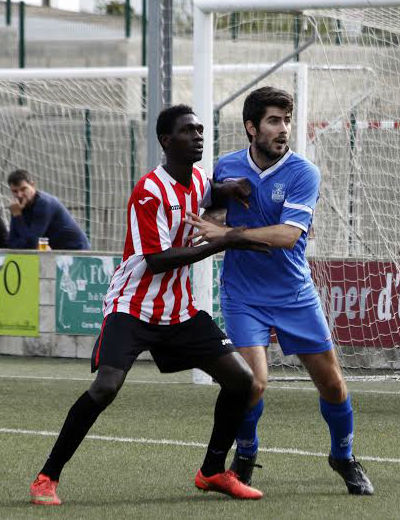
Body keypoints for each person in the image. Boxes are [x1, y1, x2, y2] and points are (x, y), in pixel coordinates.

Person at [29, 104, 268, 506]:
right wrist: (223, 240)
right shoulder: (148, 192)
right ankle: (46, 477)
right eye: (189, 131)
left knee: (243, 381)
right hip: (133, 305)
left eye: (200, 130)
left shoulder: (197, 181)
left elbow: (211, 189)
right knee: (106, 386)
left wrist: (231, 189)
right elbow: (156, 260)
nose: (198, 136)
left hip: (179, 309)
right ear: (165, 140)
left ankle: (211, 471)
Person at [184, 86, 374, 496]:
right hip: (243, 296)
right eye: (273, 121)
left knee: (334, 385)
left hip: (294, 295)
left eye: (286, 120)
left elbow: (288, 236)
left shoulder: (303, 172)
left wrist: (228, 233)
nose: (283, 129)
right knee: (251, 383)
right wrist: (210, 221)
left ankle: (343, 455)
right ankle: (246, 454)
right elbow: (210, 219)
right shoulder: (225, 168)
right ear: (252, 128)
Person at [7, 169, 90, 250]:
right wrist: (16, 215)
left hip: (76, 251)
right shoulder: (17, 207)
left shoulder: (44, 203)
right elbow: (12, 241)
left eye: (23, 189)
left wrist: (17, 215)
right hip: (56, 252)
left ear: (32, 185)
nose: (20, 195)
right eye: (15, 191)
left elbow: (31, 244)